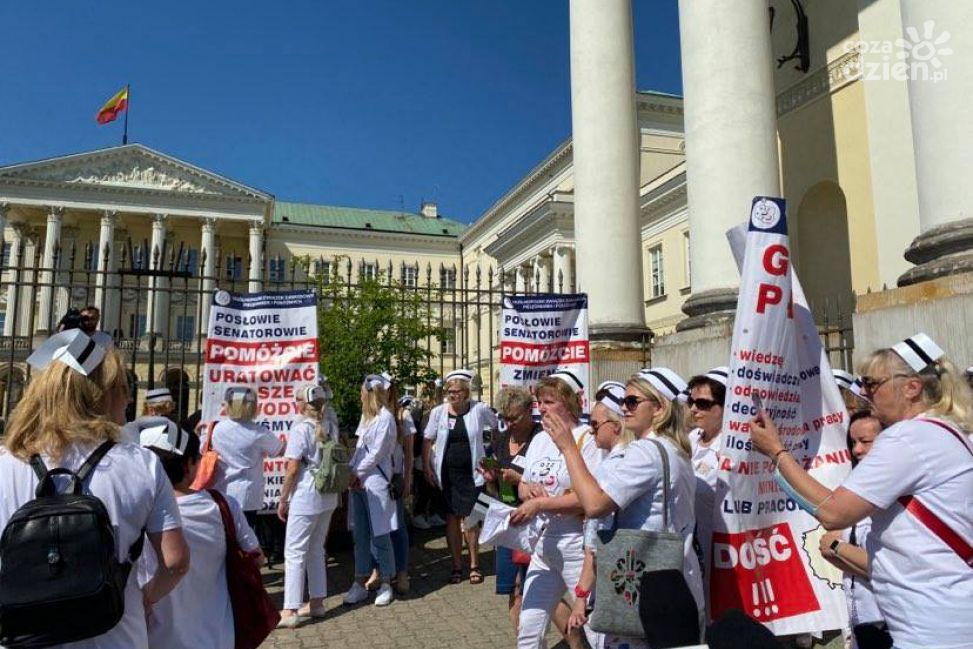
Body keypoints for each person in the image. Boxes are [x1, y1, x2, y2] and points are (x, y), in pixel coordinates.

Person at [749, 332, 973, 649]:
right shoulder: (951, 432)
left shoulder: (908, 437)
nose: (865, 394)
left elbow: (832, 512)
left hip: (932, 626)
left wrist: (776, 452)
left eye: (872, 384)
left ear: (911, 387)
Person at [0, 330, 189, 648]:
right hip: (115, 633)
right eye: (122, 389)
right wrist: (145, 597)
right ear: (98, 396)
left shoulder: (6, 462)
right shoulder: (140, 463)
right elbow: (175, 561)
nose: (129, 399)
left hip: (22, 634)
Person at [548, 369, 705, 647]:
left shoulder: (645, 451)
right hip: (677, 581)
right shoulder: (675, 450)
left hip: (645, 589)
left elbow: (594, 504)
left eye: (632, 401)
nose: (623, 407)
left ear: (658, 408)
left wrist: (568, 448)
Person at [136, 419, 265, 648]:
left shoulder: (138, 514)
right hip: (219, 635)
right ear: (190, 464)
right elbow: (257, 558)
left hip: (156, 638)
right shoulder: (224, 505)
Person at [511, 370, 604, 649]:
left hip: (577, 546)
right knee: (528, 628)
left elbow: (590, 499)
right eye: (540, 401)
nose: (542, 407)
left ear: (571, 402)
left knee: (597, 628)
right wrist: (528, 492)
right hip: (543, 546)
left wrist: (541, 503)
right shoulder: (540, 439)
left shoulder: (587, 438)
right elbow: (523, 484)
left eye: (550, 401)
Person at [818, 410, 891, 649]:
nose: (857, 450)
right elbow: (832, 553)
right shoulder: (854, 490)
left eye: (866, 442)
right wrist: (842, 552)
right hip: (861, 619)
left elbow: (882, 567)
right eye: (853, 442)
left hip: (888, 620)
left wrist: (838, 547)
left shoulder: (896, 498)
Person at [421, 368, 498, 584]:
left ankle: (474, 564)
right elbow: (427, 439)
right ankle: (456, 565)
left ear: (465, 392)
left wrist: (491, 461)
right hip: (446, 474)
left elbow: (497, 430)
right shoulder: (439, 412)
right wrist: (427, 467)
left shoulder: (479, 409)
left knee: (472, 519)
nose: (451, 395)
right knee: (452, 519)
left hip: (473, 474)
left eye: (455, 391)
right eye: (448, 391)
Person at [276, 384, 341, 628]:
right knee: (315, 549)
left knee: (294, 552)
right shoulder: (330, 426)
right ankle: (316, 602)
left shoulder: (300, 428)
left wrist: (283, 498)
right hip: (328, 495)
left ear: (303, 404)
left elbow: (292, 468)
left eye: (297, 400)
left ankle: (290, 609)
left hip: (306, 495)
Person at [482, 385, 540, 633]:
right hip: (507, 518)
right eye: (505, 418)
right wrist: (489, 477)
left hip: (533, 520)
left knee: (534, 585)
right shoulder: (501, 439)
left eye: (514, 417)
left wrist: (520, 480)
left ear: (530, 410)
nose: (510, 423)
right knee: (511, 587)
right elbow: (494, 490)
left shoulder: (541, 438)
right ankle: (522, 638)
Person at [343, 373, 399, 607]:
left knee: (381, 534)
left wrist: (357, 472)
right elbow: (359, 449)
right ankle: (360, 580)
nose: (359, 396)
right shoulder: (367, 418)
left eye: (362, 392)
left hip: (376, 482)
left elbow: (377, 453)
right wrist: (350, 471)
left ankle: (386, 580)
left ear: (370, 393)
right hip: (359, 482)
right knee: (361, 534)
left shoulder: (386, 419)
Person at [210, 386, 285, 529]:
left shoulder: (217, 429)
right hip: (247, 495)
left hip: (222, 490)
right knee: (245, 537)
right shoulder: (258, 433)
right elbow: (280, 450)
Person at [686, 366, 728, 610]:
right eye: (692, 401)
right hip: (692, 539)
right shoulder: (691, 439)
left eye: (702, 403)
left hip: (720, 543)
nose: (693, 409)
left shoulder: (732, 447)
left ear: (724, 406)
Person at [412, 380, 447, 529]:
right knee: (424, 486)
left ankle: (433, 513)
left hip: (436, 450)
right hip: (424, 450)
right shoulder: (420, 408)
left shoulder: (441, 407)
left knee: (435, 486)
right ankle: (418, 514)